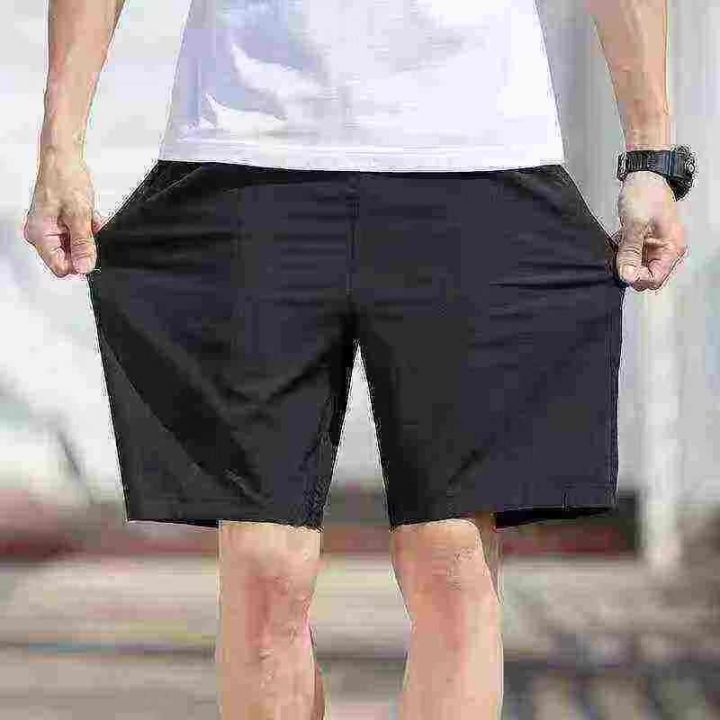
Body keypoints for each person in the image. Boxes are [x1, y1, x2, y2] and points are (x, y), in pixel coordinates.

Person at [23, 0, 694, 717]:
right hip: (246, 153)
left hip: (476, 156)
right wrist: (60, 144)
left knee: (450, 559)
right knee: (264, 568)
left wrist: (651, 154)